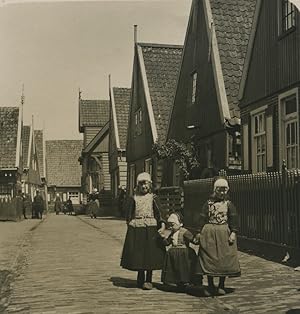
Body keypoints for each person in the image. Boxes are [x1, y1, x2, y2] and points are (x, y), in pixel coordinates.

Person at [194, 177, 240, 296]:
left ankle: (221, 284)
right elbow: (202, 217)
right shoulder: (208, 204)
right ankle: (210, 284)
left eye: (224, 190)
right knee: (209, 257)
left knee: (223, 258)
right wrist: (199, 232)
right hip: (209, 232)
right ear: (215, 190)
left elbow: (234, 218)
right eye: (219, 190)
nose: (222, 193)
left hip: (224, 232)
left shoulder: (229, 204)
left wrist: (233, 232)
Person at [120, 172, 166, 290]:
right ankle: (140, 278)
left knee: (150, 253)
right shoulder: (134, 198)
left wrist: (162, 224)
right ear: (138, 186)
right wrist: (129, 222)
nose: (144, 187)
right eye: (141, 184)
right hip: (137, 228)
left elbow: (159, 212)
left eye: (146, 184)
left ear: (150, 185)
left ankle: (148, 279)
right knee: (139, 253)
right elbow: (129, 213)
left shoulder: (153, 198)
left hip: (151, 227)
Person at [160, 212, 199, 291]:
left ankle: (185, 282)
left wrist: (198, 236)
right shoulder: (172, 233)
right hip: (173, 253)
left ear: (180, 223)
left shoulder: (185, 232)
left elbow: (194, 241)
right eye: (170, 225)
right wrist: (163, 237)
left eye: (173, 225)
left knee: (183, 268)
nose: (171, 227)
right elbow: (167, 243)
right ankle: (176, 282)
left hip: (183, 254)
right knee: (174, 268)